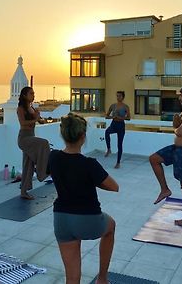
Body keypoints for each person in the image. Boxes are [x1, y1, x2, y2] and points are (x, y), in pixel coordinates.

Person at [48, 113, 118, 284]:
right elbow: (114, 187)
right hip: (88, 220)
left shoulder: (53, 157)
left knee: (72, 278)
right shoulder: (89, 164)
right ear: (83, 136)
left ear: (63, 134)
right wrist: (94, 180)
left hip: (62, 220)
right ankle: (102, 279)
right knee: (110, 226)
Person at [149, 86, 182, 225]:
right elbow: (179, 125)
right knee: (154, 159)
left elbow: (180, 132)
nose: (180, 98)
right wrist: (177, 124)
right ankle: (165, 189)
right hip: (177, 148)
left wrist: (175, 126)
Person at [17, 86, 51, 200]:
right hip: (24, 138)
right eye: (31, 94)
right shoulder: (21, 108)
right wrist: (36, 119)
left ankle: (24, 191)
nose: (33, 95)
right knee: (44, 143)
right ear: (24, 95)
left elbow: (38, 121)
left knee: (28, 166)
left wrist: (40, 119)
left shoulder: (31, 108)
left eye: (33, 93)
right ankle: (43, 172)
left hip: (31, 137)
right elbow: (23, 123)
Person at [104, 90, 131, 168]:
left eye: (119, 96)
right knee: (107, 132)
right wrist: (113, 117)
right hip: (114, 124)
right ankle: (109, 149)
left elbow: (129, 118)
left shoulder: (126, 107)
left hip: (121, 126)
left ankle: (118, 162)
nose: (118, 97)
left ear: (123, 97)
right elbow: (106, 116)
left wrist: (120, 117)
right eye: (117, 96)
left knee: (119, 144)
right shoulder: (113, 106)